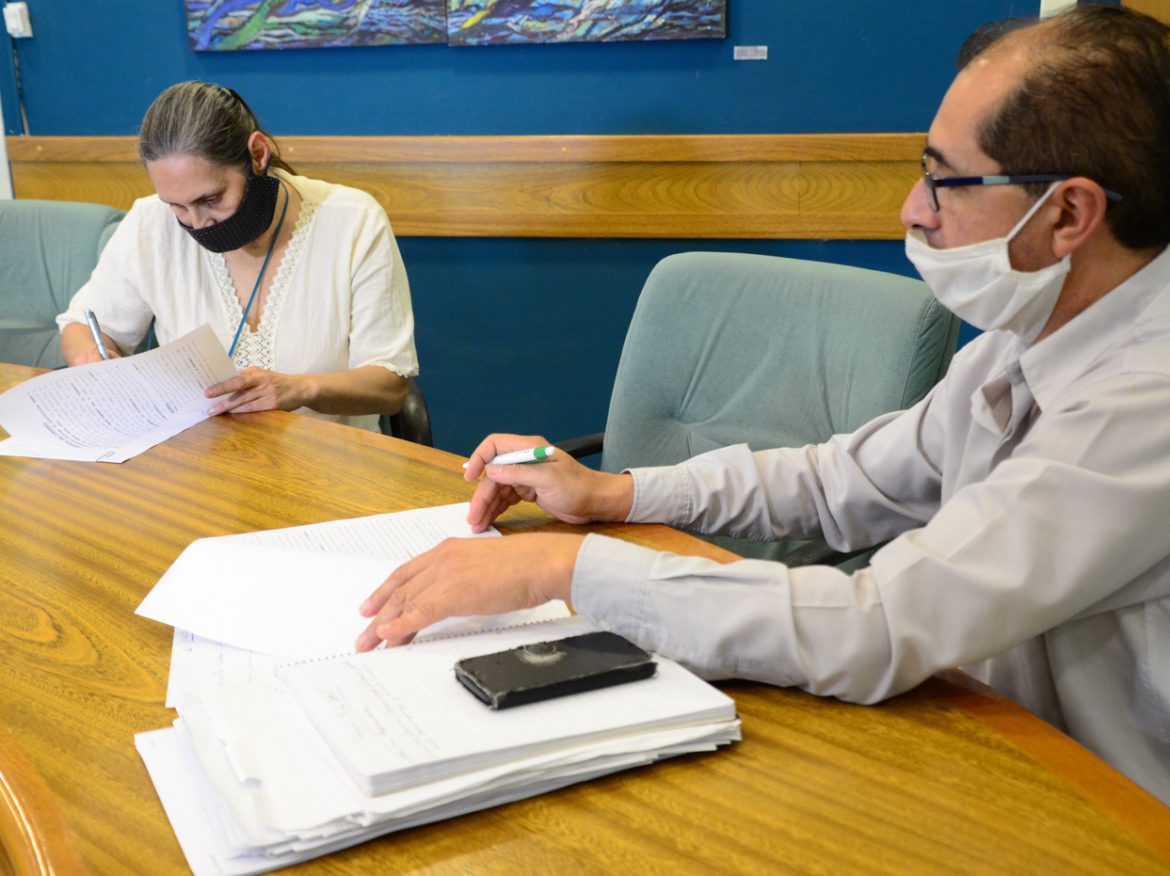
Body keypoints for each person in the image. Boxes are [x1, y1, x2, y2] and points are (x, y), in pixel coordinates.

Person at [357, 5, 1170, 804]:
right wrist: (618, 492)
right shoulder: (1031, 328)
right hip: (984, 750)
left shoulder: (1146, 402)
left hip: (1105, 815)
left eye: (943, 180)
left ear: (1068, 213)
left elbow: (878, 623)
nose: (913, 210)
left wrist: (559, 565)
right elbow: (836, 481)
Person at [57, 81, 418, 432]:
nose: (196, 223)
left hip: (329, 468)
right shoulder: (150, 222)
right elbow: (82, 328)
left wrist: (301, 389)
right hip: (200, 466)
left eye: (211, 199)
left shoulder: (353, 220)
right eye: (177, 206)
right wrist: (90, 355)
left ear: (258, 155)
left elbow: (389, 388)